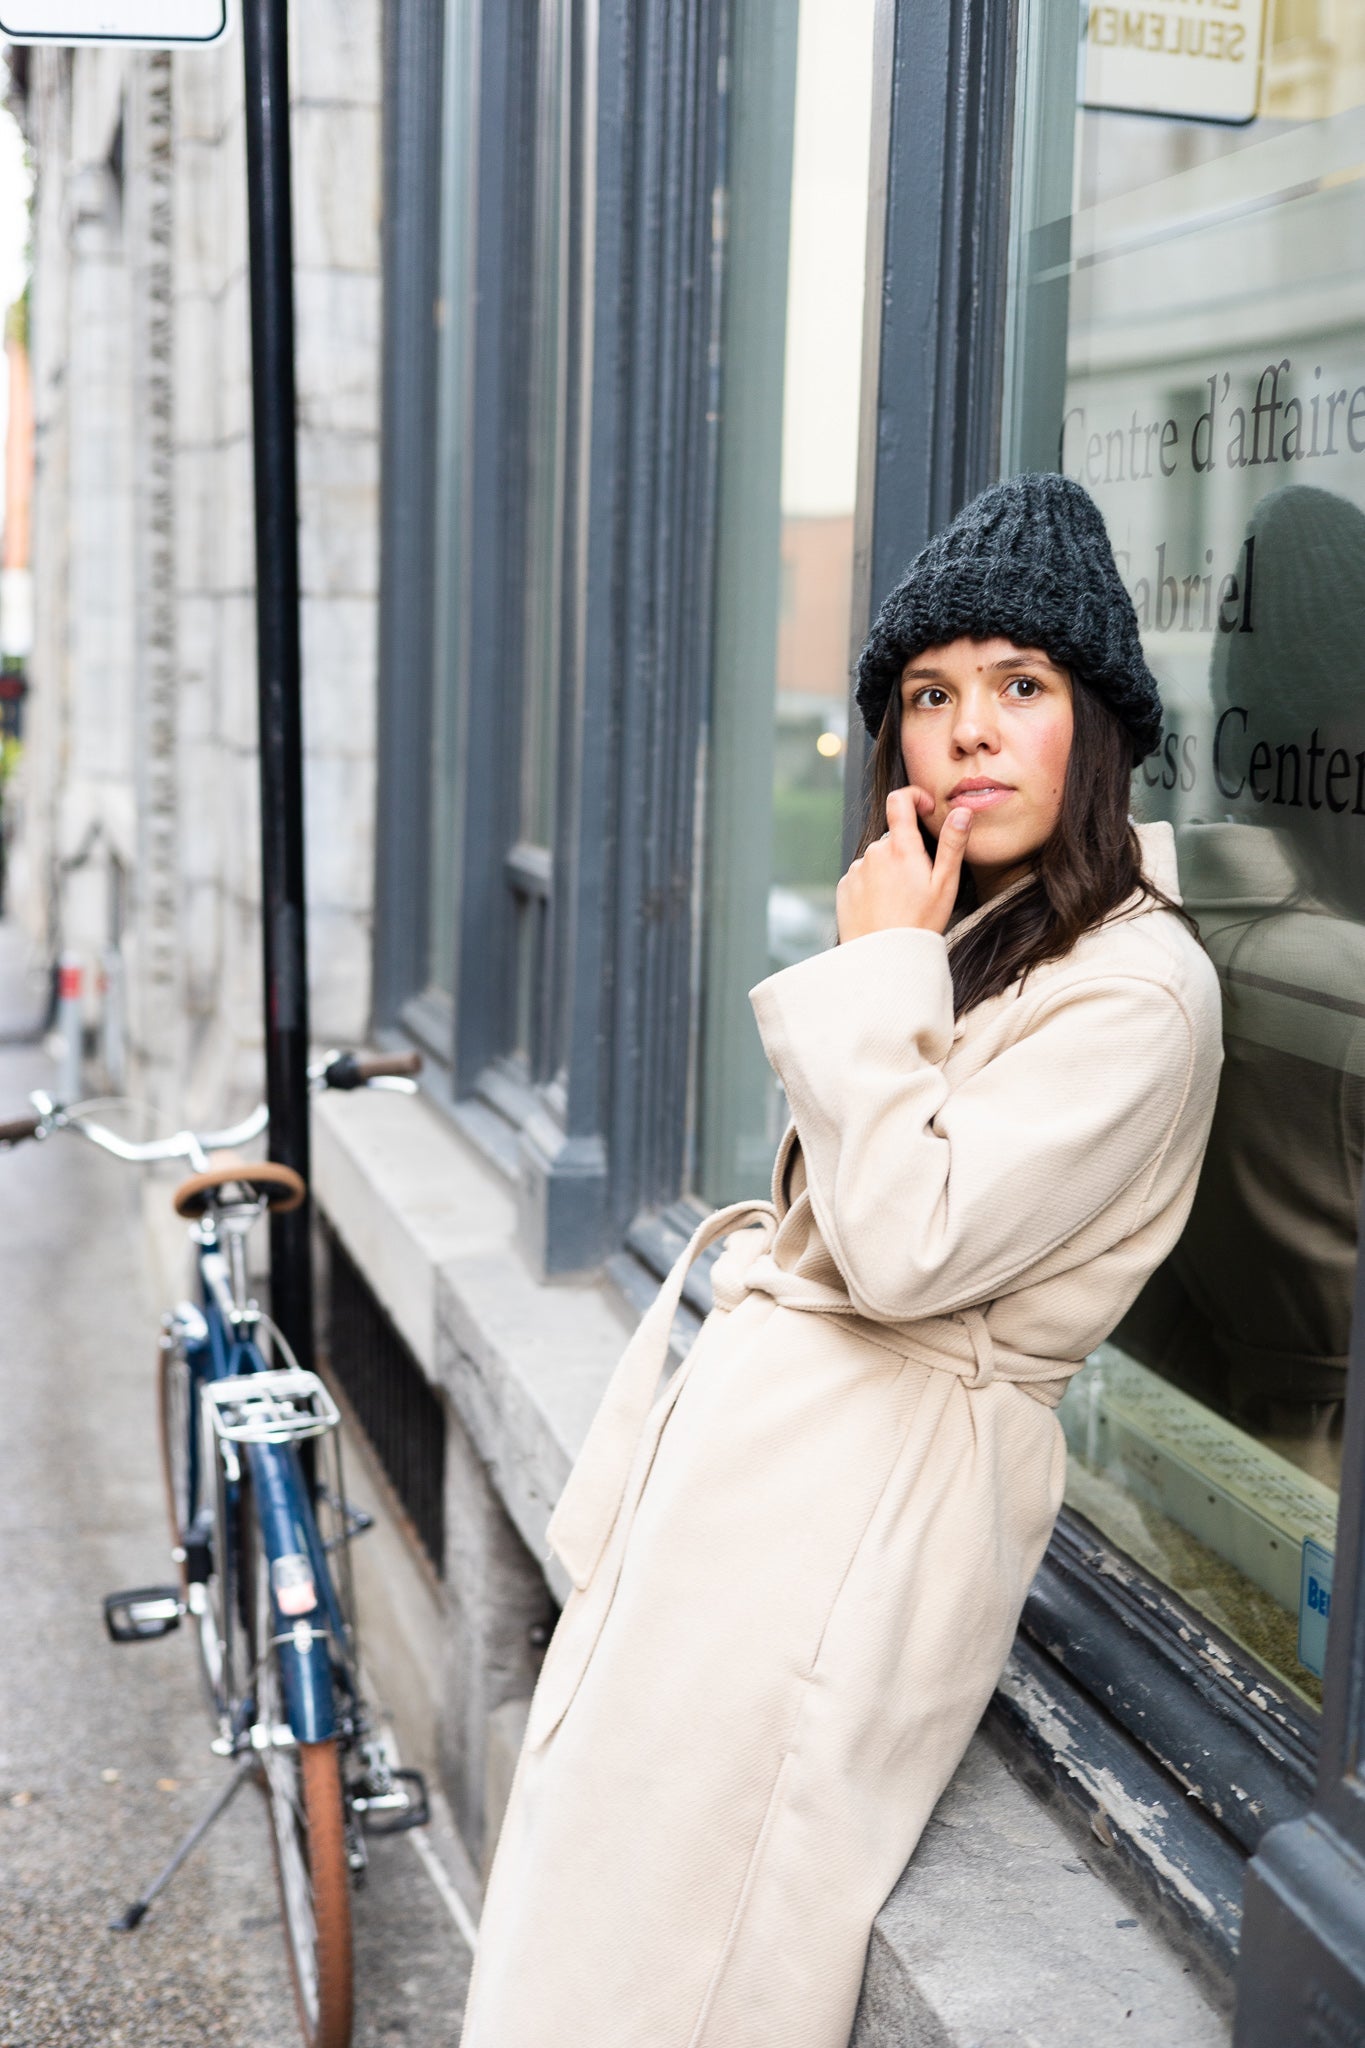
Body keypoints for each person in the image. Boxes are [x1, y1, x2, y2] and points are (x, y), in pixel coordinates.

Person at [457, 472, 1223, 2048]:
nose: (969, 732)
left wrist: (876, 968)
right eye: (929, 696)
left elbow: (898, 1249)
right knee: (593, 1926)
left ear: (1097, 724)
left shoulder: (1137, 988)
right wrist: (898, 958)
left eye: (1020, 686)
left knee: (689, 1966)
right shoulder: (983, 929)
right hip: (769, 1492)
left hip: (859, 1520)